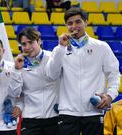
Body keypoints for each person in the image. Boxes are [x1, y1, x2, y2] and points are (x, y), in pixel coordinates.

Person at [46, 7, 120, 135]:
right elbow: (51, 75)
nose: (74, 26)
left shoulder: (101, 47)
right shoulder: (59, 50)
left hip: (93, 111)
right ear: (66, 26)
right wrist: (60, 48)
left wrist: (110, 95)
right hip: (67, 113)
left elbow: (114, 73)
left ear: (86, 22)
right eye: (70, 23)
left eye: (78, 22)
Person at [12, 27, 59, 135]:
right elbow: (15, 93)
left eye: (31, 42)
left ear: (39, 41)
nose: (27, 47)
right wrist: (16, 70)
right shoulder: (18, 63)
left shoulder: (52, 58)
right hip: (30, 119)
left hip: (54, 117)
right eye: (24, 44)